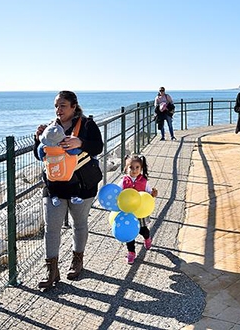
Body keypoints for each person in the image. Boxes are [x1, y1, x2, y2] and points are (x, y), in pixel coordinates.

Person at [33, 90, 104, 289]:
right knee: (51, 228)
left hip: (82, 186)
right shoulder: (51, 127)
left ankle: (77, 261)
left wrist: (80, 142)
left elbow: (98, 147)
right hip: (54, 186)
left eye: (62, 105)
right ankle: (51, 271)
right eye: (56, 106)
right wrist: (38, 140)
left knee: (79, 224)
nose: (58, 110)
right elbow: (40, 156)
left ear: (73, 106)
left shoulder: (87, 124)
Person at [118, 154, 158, 264]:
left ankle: (147, 238)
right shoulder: (124, 181)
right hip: (128, 212)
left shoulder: (144, 181)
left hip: (140, 212)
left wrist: (153, 194)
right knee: (129, 233)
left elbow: (149, 194)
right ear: (126, 168)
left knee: (142, 229)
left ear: (141, 168)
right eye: (131, 167)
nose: (134, 170)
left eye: (137, 168)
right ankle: (131, 252)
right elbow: (117, 193)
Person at [37, 122, 83, 207]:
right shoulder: (64, 146)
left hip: (52, 172)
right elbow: (74, 152)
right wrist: (81, 148)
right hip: (66, 173)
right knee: (74, 181)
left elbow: (40, 155)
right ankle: (74, 196)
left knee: (50, 183)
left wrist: (43, 158)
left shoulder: (43, 146)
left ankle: (54, 197)